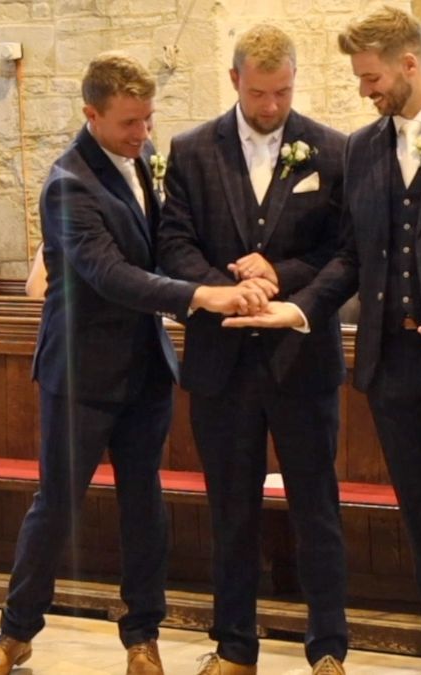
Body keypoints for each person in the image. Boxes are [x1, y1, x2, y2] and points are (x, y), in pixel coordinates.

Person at [222, 7, 421, 674]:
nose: (364, 90)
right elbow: (353, 260)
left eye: (371, 77)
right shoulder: (362, 149)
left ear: (409, 64)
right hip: (393, 370)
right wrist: (298, 310)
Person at [0, 52, 269, 675]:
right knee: (57, 504)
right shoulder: (67, 183)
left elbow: (166, 246)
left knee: (143, 504)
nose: (143, 134)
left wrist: (233, 268)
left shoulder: (144, 164)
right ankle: (15, 633)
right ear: (91, 114)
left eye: (147, 120)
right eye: (129, 123)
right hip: (81, 372)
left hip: (144, 370)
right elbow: (108, 274)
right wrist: (201, 296)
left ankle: (142, 637)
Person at [156, 25, 349, 675]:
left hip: (302, 358)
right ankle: (235, 646)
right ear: (235, 80)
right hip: (223, 362)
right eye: (260, 92)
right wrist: (227, 287)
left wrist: (280, 277)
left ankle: (327, 647)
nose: (272, 106)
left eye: (284, 92)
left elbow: (341, 252)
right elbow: (174, 245)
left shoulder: (330, 148)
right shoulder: (190, 151)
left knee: (317, 506)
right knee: (230, 510)